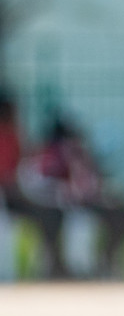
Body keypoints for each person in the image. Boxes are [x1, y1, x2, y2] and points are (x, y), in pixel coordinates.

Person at [29, 118, 124, 277]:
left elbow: (92, 184)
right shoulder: (50, 156)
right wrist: (65, 193)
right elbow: (38, 183)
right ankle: (59, 266)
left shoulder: (81, 154)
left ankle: (108, 258)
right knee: (60, 221)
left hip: (87, 204)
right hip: (58, 206)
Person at [0, 93, 67, 278]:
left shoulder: (13, 134)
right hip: (9, 198)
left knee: (54, 214)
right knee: (51, 214)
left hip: (15, 194)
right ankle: (55, 265)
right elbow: (7, 176)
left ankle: (53, 264)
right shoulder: (6, 135)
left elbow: (24, 159)